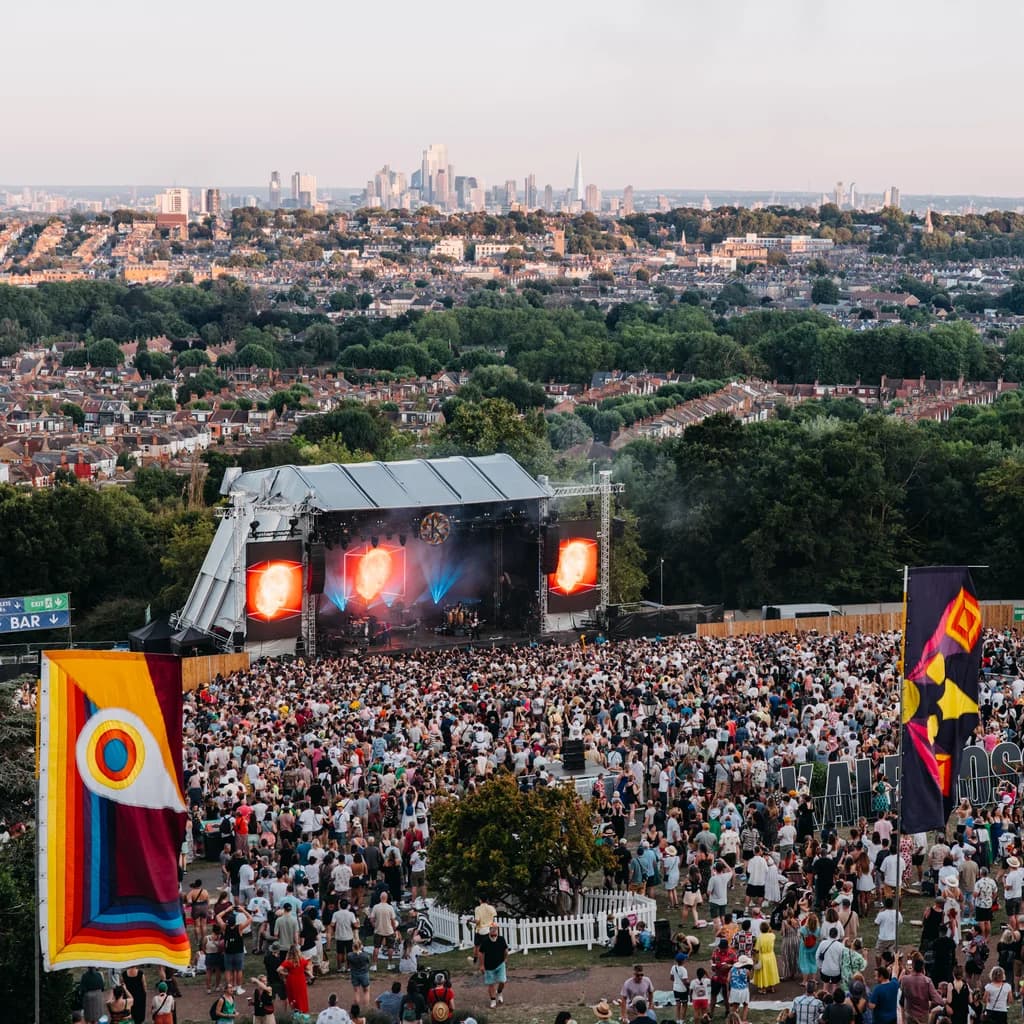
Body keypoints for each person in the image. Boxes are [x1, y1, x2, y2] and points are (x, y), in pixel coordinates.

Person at [899, 957, 942, 1024]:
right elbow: (938, 1000)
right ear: (922, 967)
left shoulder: (905, 979)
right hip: (923, 1017)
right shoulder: (927, 981)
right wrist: (931, 1003)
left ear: (913, 966)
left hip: (910, 1015)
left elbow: (902, 992)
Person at [477, 922, 509, 1009]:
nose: (494, 931)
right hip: (488, 966)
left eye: (495, 929)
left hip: (500, 964)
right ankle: (493, 1000)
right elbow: (480, 953)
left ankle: (499, 992)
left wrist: (505, 959)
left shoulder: (502, 939)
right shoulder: (485, 941)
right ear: (489, 930)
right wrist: (482, 965)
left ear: (497, 930)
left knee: (502, 981)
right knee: (491, 984)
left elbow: (505, 950)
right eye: (492, 929)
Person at [278, 943, 312, 1015]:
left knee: (293, 995)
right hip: (301, 979)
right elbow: (308, 968)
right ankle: (302, 1010)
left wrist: (286, 974)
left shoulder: (288, 961)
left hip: (291, 980)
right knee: (301, 996)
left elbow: (279, 969)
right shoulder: (302, 960)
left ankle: (295, 1010)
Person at [753, 921, 780, 994]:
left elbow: (757, 949)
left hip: (763, 957)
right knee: (771, 971)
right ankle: (772, 987)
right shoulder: (772, 936)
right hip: (771, 955)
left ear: (760, 929)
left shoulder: (760, 937)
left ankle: (763, 988)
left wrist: (755, 959)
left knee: (763, 972)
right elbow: (771, 932)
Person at [347, 939, 372, 1009]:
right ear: (361, 946)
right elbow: (368, 962)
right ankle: (366, 1009)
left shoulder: (349, 955)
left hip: (354, 974)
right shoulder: (365, 955)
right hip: (364, 974)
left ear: (353, 947)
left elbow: (348, 963)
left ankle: (356, 1010)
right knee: (366, 991)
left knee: (356, 992)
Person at [729, 956, 753, 1022]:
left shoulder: (732, 969)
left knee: (735, 1006)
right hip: (743, 990)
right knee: (745, 1004)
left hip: (734, 990)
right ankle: (744, 1020)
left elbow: (728, 979)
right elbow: (748, 980)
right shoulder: (747, 971)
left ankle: (733, 1020)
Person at [670, 952, 690, 1024]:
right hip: (683, 989)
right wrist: (689, 986)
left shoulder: (673, 967)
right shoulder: (684, 970)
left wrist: (676, 981)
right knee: (684, 1005)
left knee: (678, 1004)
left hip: (675, 988)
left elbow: (671, 978)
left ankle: (677, 1020)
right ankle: (682, 1021)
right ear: (683, 961)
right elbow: (685, 981)